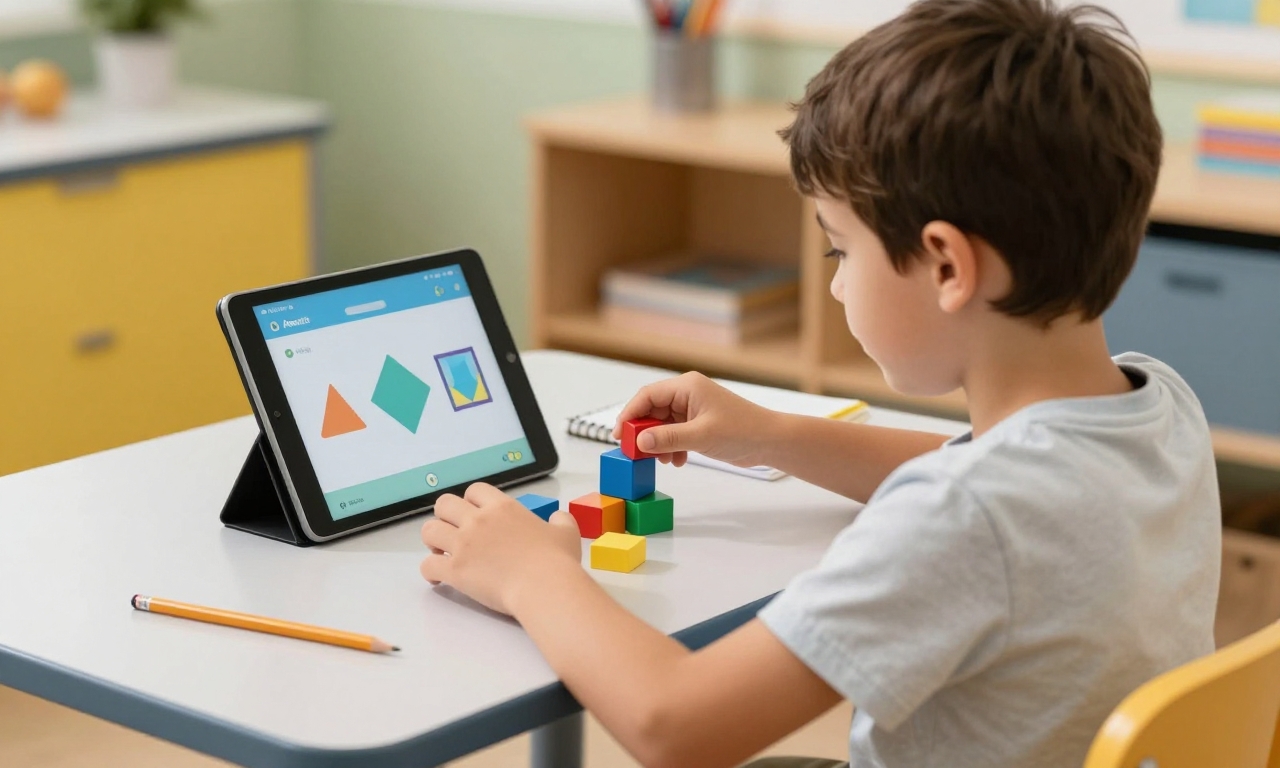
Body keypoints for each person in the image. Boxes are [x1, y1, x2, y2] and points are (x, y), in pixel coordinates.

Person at [418, 0, 1222, 764]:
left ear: (947, 265)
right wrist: (771, 435)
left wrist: (534, 574)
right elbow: (981, 473)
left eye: (841, 249)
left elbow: (675, 726)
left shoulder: (965, 520)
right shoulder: (1159, 407)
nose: (836, 284)